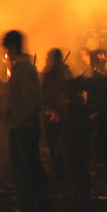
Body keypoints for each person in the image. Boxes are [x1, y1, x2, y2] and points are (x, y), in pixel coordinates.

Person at [66, 49, 107, 207]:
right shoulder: (101, 79)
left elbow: (88, 92)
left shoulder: (99, 80)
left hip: (105, 124)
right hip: (106, 122)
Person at [1, 30, 50, 212]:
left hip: (23, 128)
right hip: (25, 126)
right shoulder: (26, 69)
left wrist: (15, 118)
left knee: (23, 171)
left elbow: (32, 102)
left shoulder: (23, 70)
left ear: (12, 47)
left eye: (7, 49)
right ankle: (42, 208)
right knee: (34, 168)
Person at [40, 48, 71, 181]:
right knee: (60, 137)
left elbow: (42, 91)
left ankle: (56, 168)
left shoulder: (49, 73)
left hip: (51, 110)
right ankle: (60, 168)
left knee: (53, 138)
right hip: (62, 108)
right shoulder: (65, 71)